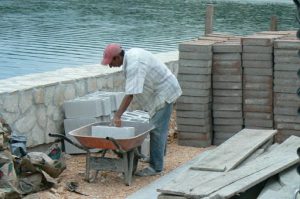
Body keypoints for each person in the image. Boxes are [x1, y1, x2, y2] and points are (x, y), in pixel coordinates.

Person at [101, 43, 182, 176]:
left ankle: (156, 167)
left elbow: (130, 94)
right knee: (160, 128)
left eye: (110, 62)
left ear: (116, 57)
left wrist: (118, 116)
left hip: (164, 92)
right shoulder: (131, 57)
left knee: (156, 130)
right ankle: (158, 157)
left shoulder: (134, 64)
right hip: (160, 91)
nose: (110, 66)